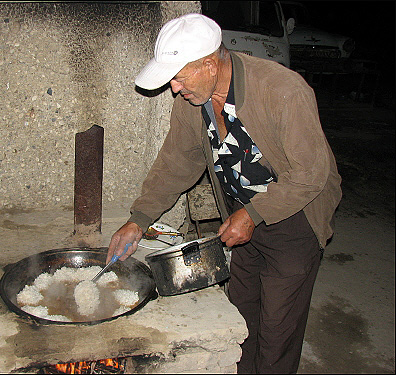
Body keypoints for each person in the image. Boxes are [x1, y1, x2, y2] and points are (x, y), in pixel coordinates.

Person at [106, 13, 342, 374]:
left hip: (295, 218)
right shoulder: (193, 101)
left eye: (179, 78)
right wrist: (138, 221)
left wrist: (252, 215)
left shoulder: (283, 91)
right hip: (242, 215)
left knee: (278, 329)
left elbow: (311, 173)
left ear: (209, 64)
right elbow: (176, 164)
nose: (174, 89)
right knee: (243, 317)